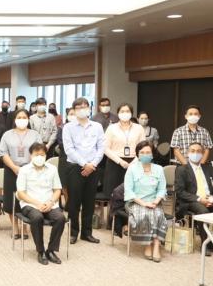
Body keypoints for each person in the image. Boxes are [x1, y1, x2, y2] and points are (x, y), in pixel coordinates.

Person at [174, 142, 213, 254]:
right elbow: (180, 192)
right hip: (192, 201)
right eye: (193, 151)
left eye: (199, 151)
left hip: (210, 199)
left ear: (203, 154)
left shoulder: (208, 168)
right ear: (188, 153)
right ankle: (204, 243)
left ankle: (211, 243)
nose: (195, 153)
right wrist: (200, 199)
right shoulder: (181, 169)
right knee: (203, 211)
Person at [62, 97, 105, 244]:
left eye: (85, 106)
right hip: (75, 167)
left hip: (93, 167)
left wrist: (92, 164)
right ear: (74, 110)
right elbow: (69, 149)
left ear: (89, 109)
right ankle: (73, 232)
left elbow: (101, 147)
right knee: (74, 202)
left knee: (89, 201)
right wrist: (84, 164)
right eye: (79, 107)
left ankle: (87, 233)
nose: (82, 109)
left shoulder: (97, 126)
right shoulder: (68, 127)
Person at [16, 142, 65, 265]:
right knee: (37, 218)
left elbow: (57, 190)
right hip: (30, 204)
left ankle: (51, 250)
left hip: (49, 203)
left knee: (60, 218)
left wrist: (51, 202)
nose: (39, 157)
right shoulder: (24, 170)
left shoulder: (52, 169)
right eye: (36, 154)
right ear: (31, 155)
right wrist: (37, 203)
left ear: (46, 155)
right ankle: (41, 251)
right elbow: (21, 193)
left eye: (42, 155)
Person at [124, 141, 169, 262]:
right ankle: (148, 244)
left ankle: (156, 245)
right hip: (135, 202)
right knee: (145, 214)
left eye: (148, 152)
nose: (145, 155)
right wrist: (144, 203)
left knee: (158, 215)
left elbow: (162, 189)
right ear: (138, 155)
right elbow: (129, 191)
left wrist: (156, 201)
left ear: (152, 154)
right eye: (142, 152)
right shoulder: (132, 169)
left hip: (154, 201)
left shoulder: (159, 169)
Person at [0, 109, 38, 238]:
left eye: (24, 117)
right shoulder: (7, 134)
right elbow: (3, 153)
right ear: (14, 119)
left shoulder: (34, 134)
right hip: (11, 170)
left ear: (28, 119)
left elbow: (38, 152)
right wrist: (14, 167)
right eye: (19, 117)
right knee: (11, 200)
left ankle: (25, 227)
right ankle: (15, 227)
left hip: (30, 170)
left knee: (27, 198)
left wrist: (28, 168)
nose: (22, 120)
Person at [103, 103, 146, 197]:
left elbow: (143, 148)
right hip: (115, 163)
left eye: (127, 111)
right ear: (118, 113)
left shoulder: (139, 128)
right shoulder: (111, 128)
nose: (125, 113)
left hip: (134, 162)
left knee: (133, 194)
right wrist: (120, 161)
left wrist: (135, 161)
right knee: (114, 194)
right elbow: (105, 148)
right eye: (122, 111)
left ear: (132, 113)